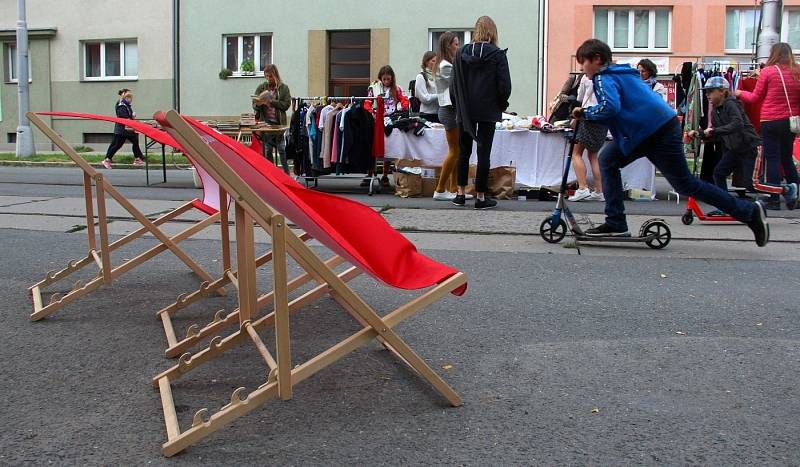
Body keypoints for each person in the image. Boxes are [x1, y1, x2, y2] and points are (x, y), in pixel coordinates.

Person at [571, 39, 769, 246]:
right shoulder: (624, 73)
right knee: (609, 160)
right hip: (657, 127)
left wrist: (585, 112)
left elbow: (609, 107)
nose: (583, 70)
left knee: (684, 183)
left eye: (583, 64)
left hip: (651, 132)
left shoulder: (603, 78)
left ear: (596, 59)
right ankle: (615, 222)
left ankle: (749, 211)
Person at [452, 16, 512, 210]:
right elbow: (505, 86)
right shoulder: (497, 55)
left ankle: (460, 193)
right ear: (493, 32)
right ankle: (480, 196)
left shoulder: (460, 54)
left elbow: (453, 85)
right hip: (488, 108)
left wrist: (457, 105)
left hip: (465, 109)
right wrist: (501, 104)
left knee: (464, 151)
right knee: (483, 153)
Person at [736, 42, 800, 210]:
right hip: (791, 122)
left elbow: (755, 98)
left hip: (770, 121)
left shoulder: (768, 72)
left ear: (774, 54)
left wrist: (740, 93)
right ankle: (795, 196)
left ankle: (774, 198)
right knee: (787, 158)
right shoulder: (798, 71)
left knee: (772, 158)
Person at [687, 76, 760, 197]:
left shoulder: (731, 104)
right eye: (706, 92)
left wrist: (712, 131)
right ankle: (726, 204)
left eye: (711, 91)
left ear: (722, 91)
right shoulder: (715, 111)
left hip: (749, 147)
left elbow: (737, 124)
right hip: (735, 149)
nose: (707, 95)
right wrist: (699, 134)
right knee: (719, 173)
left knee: (750, 183)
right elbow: (716, 134)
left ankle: (786, 190)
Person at [432, 32, 471, 201]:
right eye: (456, 44)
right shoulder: (446, 66)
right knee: (455, 151)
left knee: (457, 150)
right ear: (448, 46)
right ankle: (440, 190)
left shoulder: (443, 63)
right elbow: (456, 86)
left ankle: (454, 187)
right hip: (449, 111)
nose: (458, 46)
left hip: (449, 110)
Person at [365, 65, 409, 187]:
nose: (386, 81)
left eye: (388, 79)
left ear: (392, 78)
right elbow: (367, 103)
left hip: (391, 120)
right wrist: (370, 113)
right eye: (384, 79)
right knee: (374, 146)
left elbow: (404, 100)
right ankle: (370, 174)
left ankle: (385, 175)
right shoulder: (373, 88)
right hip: (376, 120)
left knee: (389, 147)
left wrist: (403, 106)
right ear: (380, 78)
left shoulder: (397, 89)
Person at [568, 74, 606, 202]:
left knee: (576, 153)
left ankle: (583, 188)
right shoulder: (607, 78)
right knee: (593, 155)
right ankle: (599, 190)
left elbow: (580, 97)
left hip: (587, 116)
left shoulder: (586, 78)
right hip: (601, 118)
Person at [253, 64, 292, 173]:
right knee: (268, 150)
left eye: (270, 76)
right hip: (266, 124)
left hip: (279, 124)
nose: (268, 79)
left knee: (281, 150)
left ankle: (286, 174)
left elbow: (286, 105)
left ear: (275, 75)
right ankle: (272, 174)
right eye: (266, 76)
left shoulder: (283, 88)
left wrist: (271, 102)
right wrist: (259, 103)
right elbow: (254, 104)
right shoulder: (262, 87)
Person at [103, 88, 145, 169]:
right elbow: (123, 117)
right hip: (122, 129)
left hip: (128, 129)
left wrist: (132, 117)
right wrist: (132, 120)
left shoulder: (126, 105)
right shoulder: (121, 105)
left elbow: (128, 116)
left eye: (131, 98)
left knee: (135, 141)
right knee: (116, 145)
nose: (131, 99)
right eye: (129, 97)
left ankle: (138, 158)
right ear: (125, 97)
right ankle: (107, 160)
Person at [415, 51, 440, 123]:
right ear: (426, 62)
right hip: (426, 114)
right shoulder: (421, 77)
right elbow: (424, 98)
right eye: (433, 61)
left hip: (437, 114)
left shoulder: (437, 76)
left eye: (437, 61)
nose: (436, 63)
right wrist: (439, 96)